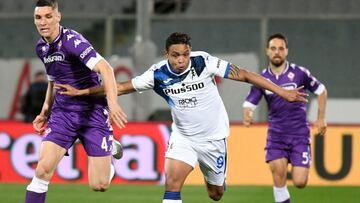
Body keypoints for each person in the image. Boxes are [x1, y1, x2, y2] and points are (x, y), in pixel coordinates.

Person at [55, 32, 307, 203]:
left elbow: (245, 74)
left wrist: (282, 91)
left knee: (216, 193)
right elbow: (120, 87)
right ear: (167, 55)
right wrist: (82, 91)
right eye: (176, 55)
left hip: (213, 140)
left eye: (185, 54)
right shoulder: (157, 75)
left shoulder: (204, 62)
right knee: (172, 183)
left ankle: (217, 180)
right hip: (183, 138)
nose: (182, 59)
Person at [25, 1, 127, 203]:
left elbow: (106, 69)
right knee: (42, 170)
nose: (43, 22)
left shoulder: (72, 41)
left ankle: (108, 159)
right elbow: (53, 80)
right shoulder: (41, 47)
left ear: (58, 17)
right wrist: (45, 111)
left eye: (48, 16)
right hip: (63, 114)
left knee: (99, 185)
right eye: (38, 17)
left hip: (92, 113)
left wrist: (113, 103)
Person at [242, 33, 327, 203]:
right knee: (278, 175)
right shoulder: (262, 78)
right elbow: (250, 102)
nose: (277, 52)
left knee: (300, 182)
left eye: (281, 48)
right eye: (273, 48)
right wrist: (247, 114)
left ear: (286, 51)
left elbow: (321, 90)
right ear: (267, 51)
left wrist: (321, 118)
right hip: (276, 135)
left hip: (299, 135)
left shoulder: (299, 73)